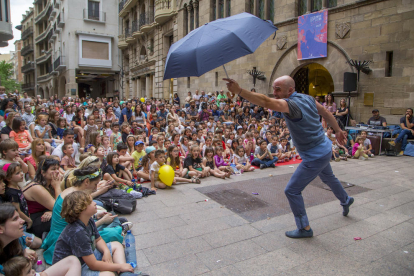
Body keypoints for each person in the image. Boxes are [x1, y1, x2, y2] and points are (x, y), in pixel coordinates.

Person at [224, 75, 353, 238]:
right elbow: (326, 112)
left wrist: (240, 91)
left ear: (290, 90)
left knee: (292, 191)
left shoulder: (291, 104)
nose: (274, 92)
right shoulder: (308, 98)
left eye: (278, 89)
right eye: (273, 89)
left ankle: (304, 228)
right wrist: (338, 130)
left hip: (315, 155)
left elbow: (265, 102)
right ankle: (346, 200)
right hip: (325, 148)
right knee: (328, 177)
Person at [52, 191, 139, 275]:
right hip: (74, 269)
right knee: (108, 275)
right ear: (80, 209)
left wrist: (106, 251)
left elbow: (98, 239)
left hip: (85, 259)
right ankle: (122, 269)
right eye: (90, 202)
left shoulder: (88, 219)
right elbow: (93, 265)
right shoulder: (77, 232)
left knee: (117, 245)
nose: (94, 203)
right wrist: (119, 267)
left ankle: (125, 273)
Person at [0, 204, 82, 276]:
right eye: (15, 219)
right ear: (1, 229)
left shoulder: (17, 240)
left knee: (72, 260)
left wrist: (25, 250)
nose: (22, 221)